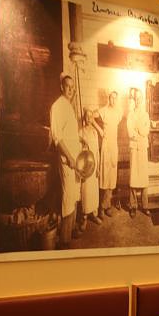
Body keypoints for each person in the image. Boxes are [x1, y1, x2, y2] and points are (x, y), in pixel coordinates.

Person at [50, 74, 81, 248]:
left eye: (72, 87)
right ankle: (64, 240)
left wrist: (80, 140)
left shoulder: (68, 106)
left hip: (75, 159)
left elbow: (69, 133)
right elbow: (58, 138)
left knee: (74, 195)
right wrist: (69, 157)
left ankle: (72, 229)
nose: (70, 89)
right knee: (68, 198)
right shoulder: (57, 106)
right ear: (62, 87)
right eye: (67, 86)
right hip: (67, 160)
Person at [96, 91, 121, 217]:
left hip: (114, 147)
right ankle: (101, 207)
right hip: (106, 146)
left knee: (112, 178)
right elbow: (89, 115)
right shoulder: (103, 111)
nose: (113, 100)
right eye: (111, 98)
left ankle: (108, 205)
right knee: (104, 177)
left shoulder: (118, 113)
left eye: (115, 98)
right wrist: (99, 129)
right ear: (108, 98)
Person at [127, 88, 151, 217]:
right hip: (134, 147)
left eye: (140, 98)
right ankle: (133, 205)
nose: (138, 100)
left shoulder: (145, 115)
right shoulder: (130, 114)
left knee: (143, 176)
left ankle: (145, 205)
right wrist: (137, 132)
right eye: (136, 98)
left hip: (142, 148)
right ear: (134, 100)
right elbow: (130, 131)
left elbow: (146, 131)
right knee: (133, 176)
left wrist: (138, 128)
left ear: (142, 100)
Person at [79, 108, 103, 230]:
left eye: (91, 116)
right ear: (84, 118)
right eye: (87, 116)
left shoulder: (94, 132)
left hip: (94, 166)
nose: (89, 119)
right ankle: (84, 218)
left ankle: (94, 214)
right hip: (85, 167)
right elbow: (79, 152)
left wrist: (98, 167)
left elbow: (97, 152)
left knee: (94, 191)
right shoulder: (81, 132)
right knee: (86, 192)